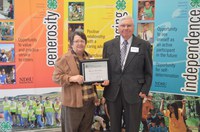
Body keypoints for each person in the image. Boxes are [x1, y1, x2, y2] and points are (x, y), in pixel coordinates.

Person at [102, 15, 152, 132]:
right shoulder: (108, 45)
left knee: (133, 127)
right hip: (113, 92)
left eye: (129, 25)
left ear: (133, 27)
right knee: (114, 126)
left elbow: (148, 71)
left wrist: (144, 90)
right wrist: (102, 80)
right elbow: (104, 69)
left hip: (135, 93)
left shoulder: (144, 45)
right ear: (118, 28)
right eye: (123, 25)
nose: (126, 28)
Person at [52, 31, 109, 132]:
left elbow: (92, 81)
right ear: (71, 43)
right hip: (73, 104)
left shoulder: (89, 57)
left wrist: (98, 82)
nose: (80, 43)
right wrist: (71, 78)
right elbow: (56, 77)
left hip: (89, 104)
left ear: (85, 43)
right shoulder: (64, 58)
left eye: (82, 41)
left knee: (86, 130)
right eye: (76, 41)